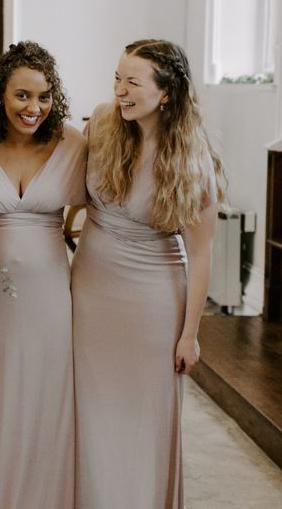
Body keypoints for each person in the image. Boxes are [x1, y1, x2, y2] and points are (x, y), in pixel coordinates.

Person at [72, 39, 223, 509]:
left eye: (133, 82)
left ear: (166, 93)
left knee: (144, 417)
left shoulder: (193, 162)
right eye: (117, 78)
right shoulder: (101, 122)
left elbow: (201, 255)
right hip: (91, 290)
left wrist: (189, 336)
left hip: (152, 300)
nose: (120, 90)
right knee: (90, 413)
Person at [0, 41, 86, 508]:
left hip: (49, 294)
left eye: (44, 97)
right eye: (22, 96)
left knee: (46, 396)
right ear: (0, 95)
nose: (34, 108)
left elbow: (110, 208)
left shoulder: (73, 144)